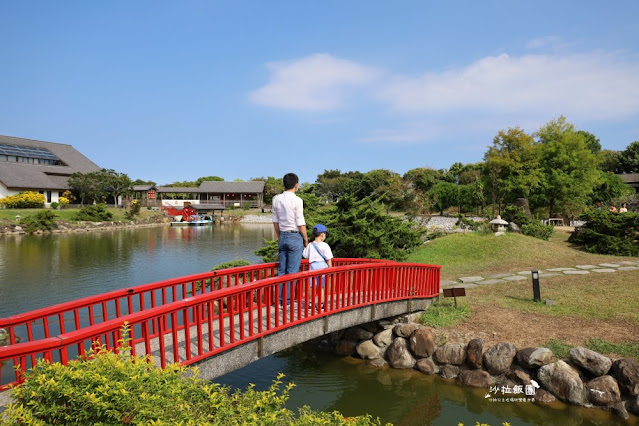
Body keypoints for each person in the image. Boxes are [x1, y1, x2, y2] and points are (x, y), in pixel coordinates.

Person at [272, 173, 308, 305]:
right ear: (296, 185)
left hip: (282, 236)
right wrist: (305, 239)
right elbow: (300, 222)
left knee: (282, 270)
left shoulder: (276, 199)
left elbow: (275, 221)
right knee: (292, 271)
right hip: (294, 236)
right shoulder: (297, 200)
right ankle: (287, 301)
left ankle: (280, 300)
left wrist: (279, 236)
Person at [302, 224, 333, 308]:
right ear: (323, 234)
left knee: (311, 286)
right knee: (321, 287)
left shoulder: (310, 245)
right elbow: (329, 259)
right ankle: (321, 304)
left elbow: (305, 255)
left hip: (313, 266)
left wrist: (306, 246)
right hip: (323, 266)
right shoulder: (325, 245)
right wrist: (330, 269)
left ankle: (311, 303)